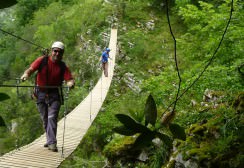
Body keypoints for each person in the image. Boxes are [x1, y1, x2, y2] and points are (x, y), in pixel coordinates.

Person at [20, 41, 75, 152]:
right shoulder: (42, 60)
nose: (57, 54)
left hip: (54, 94)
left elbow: (69, 79)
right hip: (40, 93)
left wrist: (70, 83)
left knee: (52, 118)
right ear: (51, 51)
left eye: (60, 52)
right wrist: (26, 75)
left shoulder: (62, 66)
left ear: (62, 53)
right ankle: (49, 139)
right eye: (55, 51)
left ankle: (52, 143)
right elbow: (31, 69)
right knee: (45, 119)